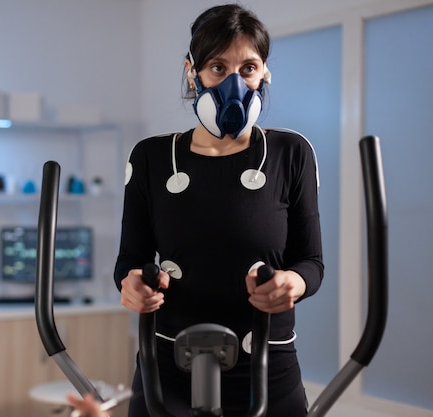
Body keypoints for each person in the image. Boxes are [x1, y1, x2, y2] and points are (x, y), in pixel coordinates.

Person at [115, 4, 323, 417]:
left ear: (264, 72)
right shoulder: (153, 157)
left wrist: (291, 285)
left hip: (267, 368)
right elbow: (129, 261)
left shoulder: (290, 153)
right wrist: (132, 284)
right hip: (168, 370)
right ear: (193, 71)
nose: (234, 82)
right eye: (217, 66)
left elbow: (311, 263)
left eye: (247, 68)